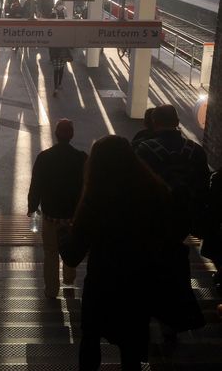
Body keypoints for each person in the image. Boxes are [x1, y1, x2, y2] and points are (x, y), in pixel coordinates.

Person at [59, 136, 180, 370]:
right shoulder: (156, 192)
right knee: (132, 349)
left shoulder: (96, 200)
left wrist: (63, 233)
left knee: (91, 340)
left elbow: (72, 256)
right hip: (139, 284)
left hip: (102, 284)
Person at [28, 118, 87, 299]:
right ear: (72, 135)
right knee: (70, 248)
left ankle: (51, 290)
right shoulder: (82, 158)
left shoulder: (44, 157)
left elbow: (36, 184)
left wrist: (32, 206)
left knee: (51, 252)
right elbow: (87, 185)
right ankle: (69, 279)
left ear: (56, 135)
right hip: (73, 217)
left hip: (50, 215)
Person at [135, 104, 211, 240]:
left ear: (154, 122)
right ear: (177, 122)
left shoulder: (144, 150)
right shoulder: (196, 150)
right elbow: (204, 187)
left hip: (154, 215)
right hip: (186, 216)